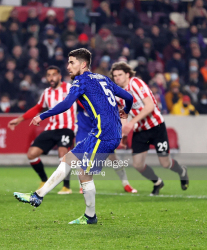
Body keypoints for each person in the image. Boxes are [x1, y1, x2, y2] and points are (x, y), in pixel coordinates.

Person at [14, 49, 134, 225]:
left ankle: (90, 216)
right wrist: (126, 111)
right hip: (106, 131)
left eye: (72, 63)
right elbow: (128, 97)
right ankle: (38, 195)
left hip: (104, 133)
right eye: (68, 63)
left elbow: (66, 104)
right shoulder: (103, 78)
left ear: (83, 64)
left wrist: (42, 115)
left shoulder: (81, 81)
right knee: (68, 159)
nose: (68, 66)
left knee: (84, 174)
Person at [111, 62, 189, 196]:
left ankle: (181, 171)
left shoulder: (136, 84)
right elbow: (123, 115)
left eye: (120, 75)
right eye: (115, 76)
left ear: (127, 74)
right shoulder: (117, 93)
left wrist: (132, 122)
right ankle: (157, 182)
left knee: (165, 163)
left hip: (156, 126)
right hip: (140, 130)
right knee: (137, 165)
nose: (117, 78)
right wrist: (124, 134)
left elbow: (150, 106)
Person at [8, 66, 77, 194]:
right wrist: (20, 119)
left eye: (54, 75)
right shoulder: (46, 92)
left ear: (59, 76)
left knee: (63, 153)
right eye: (49, 75)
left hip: (67, 128)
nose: (51, 78)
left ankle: (66, 186)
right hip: (51, 128)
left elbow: (83, 103)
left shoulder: (69, 88)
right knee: (31, 154)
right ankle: (44, 180)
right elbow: (37, 108)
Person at [75, 107, 137, 194]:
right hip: (84, 129)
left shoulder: (103, 96)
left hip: (101, 129)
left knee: (113, 158)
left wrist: (121, 132)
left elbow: (116, 110)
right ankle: (83, 186)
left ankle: (126, 183)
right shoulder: (80, 95)